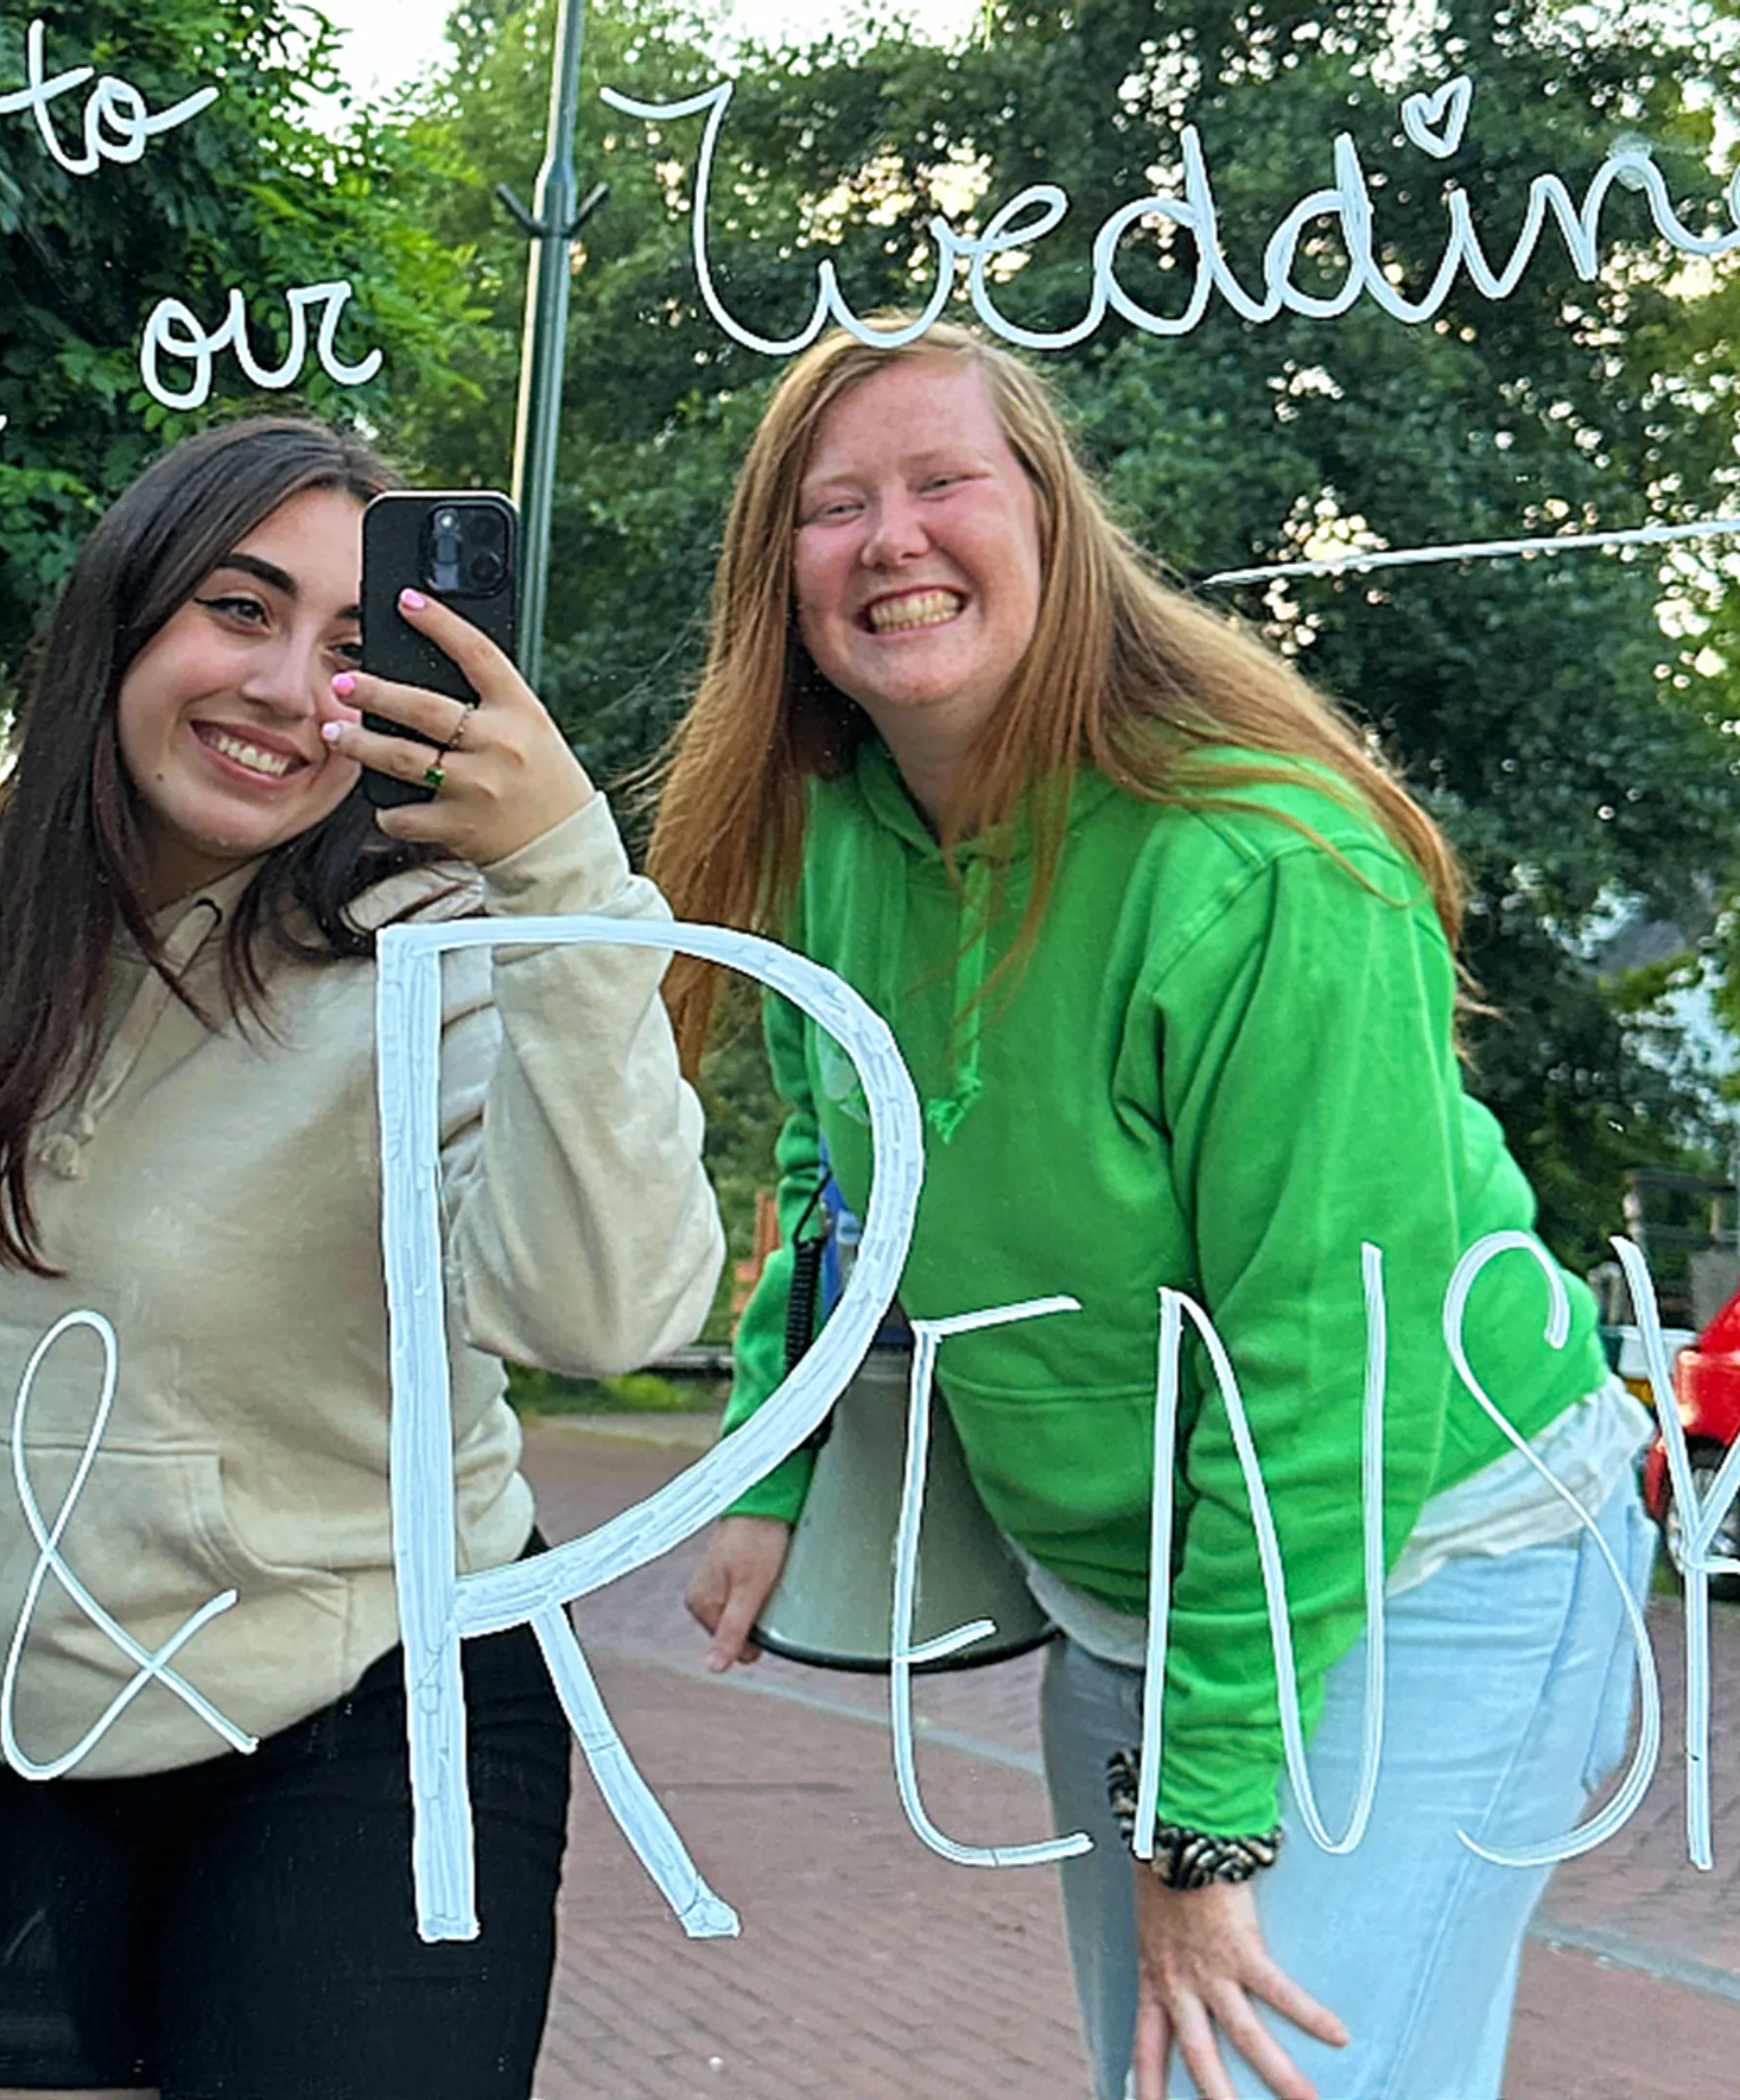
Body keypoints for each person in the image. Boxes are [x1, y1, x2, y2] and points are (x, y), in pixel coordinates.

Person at [655, 325, 1655, 2100]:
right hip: (1138, 1591)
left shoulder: (1266, 862)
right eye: (834, 506)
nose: (892, 536)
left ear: (1051, 522)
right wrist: (773, 1466)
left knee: (1261, 2083)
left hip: (1438, 1552)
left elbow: (1319, 1369)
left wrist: (1206, 1838)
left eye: (943, 481)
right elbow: (833, 1173)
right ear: (780, 578)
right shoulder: (839, 839)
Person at [0, 417, 723, 2099]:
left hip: (361, 1722)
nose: (285, 687)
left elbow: (607, 1309)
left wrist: (562, 873)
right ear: (126, 625)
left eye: (357, 650)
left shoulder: (441, 939)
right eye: (239, 608)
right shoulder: (12, 911)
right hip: (14, 1725)